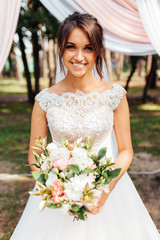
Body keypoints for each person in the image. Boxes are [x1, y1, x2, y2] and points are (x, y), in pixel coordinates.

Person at [10, 12, 160, 240]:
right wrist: (55, 189)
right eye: (71, 46)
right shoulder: (44, 101)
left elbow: (126, 150)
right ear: (61, 48)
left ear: (98, 51)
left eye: (88, 48)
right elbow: (34, 156)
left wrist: (105, 187)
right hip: (58, 198)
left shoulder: (115, 96)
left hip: (110, 192)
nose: (79, 56)